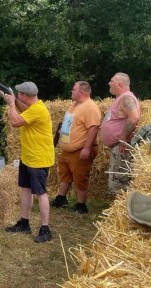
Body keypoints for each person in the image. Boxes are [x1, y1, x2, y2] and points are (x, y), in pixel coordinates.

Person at [0, 81, 55, 243]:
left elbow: (15, 121)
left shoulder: (38, 110)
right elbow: (18, 106)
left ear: (25, 95)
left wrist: (11, 104)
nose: (17, 95)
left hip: (38, 159)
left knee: (41, 193)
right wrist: (1, 92)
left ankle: (46, 229)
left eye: (19, 93)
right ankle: (24, 223)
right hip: (29, 157)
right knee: (25, 188)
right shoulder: (33, 107)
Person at [51, 81, 101, 214]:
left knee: (80, 176)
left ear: (82, 92)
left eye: (73, 89)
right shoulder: (74, 105)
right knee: (65, 174)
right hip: (68, 149)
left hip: (80, 150)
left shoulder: (90, 107)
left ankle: (81, 205)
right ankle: (61, 199)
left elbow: (94, 128)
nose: (71, 91)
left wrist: (86, 148)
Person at [100, 72, 140, 194]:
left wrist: (122, 139)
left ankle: (121, 212)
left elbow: (134, 117)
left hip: (121, 147)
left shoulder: (126, 98)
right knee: (117, 180)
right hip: (118, 147)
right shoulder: (121, 98)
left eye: (111, 81)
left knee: (119, 184)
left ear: (119, 84)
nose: (109, 83)